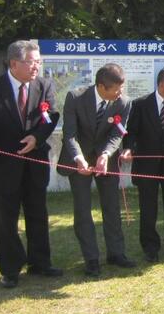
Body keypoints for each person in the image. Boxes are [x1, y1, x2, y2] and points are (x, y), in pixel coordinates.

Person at [0, 40, 62, 288]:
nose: (36, 66)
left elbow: (51, 117)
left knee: (37, 213)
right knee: (5, 218)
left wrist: (36, 137)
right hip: (2, 166)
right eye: (31, 62)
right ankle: (10, 269)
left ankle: (40, 263)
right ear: (14, 63)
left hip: (35, 162)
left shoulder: (44, 85)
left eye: (39, 61)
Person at [58, 63, 135, 277]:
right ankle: (91, 259)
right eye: (116, 89)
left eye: (122, 88)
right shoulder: (75, 97)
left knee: (112, 207)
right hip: (79, 159)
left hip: (106, 159)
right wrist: (79, 158)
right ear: (101, 86)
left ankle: (116, 253)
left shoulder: (124, 102)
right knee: (83, 209)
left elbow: (117, 134)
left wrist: (106, 154)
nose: (120, 93)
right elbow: (70, 134)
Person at [122, 67, 164, 263]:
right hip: (146, 165)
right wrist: (128, 149)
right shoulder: (141, 104)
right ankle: (150, 247)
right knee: (148, 207)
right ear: (162, 84)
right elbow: (131, 132)